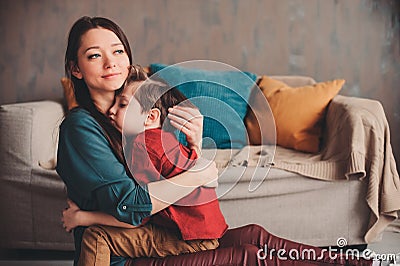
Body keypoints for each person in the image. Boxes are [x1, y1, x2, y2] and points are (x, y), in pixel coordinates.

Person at [58, 16, 372, 266]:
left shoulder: (131, 119)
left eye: (117, 51)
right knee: (246, 256)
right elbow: (131, 206)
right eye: (94, 55)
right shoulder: (81, 126)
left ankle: (346, 262)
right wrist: (199, 173)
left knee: (253, 235)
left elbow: (169, 179)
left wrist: (193, 146)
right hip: (125, 251)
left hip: (158, 233)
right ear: (76, 69)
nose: (110, 62)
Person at [62, 66, 227, 265]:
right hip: (209, 232)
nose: (111, 111)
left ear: (150, 117)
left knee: (95, 237)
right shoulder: (165, 141)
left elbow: (137, 214)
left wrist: (82, 218)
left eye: (122, 105)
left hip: (188, 238)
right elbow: (207, 180)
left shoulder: (142, 146)